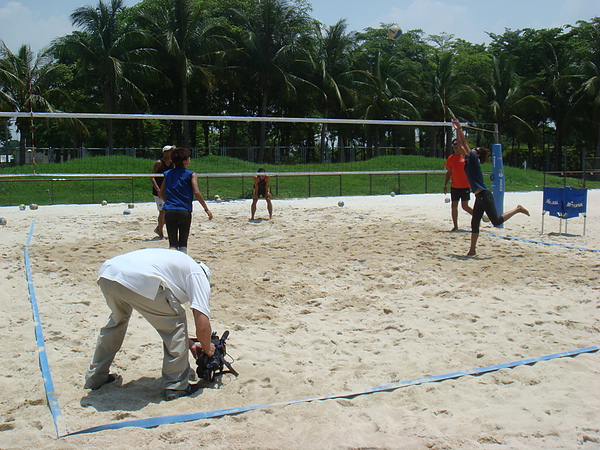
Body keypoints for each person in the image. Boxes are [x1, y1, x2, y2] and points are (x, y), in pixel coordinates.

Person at [84, 248, 216, 401]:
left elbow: (160, 317)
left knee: (116, 323)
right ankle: (177, 385)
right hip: (140, 279)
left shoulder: (179, 264)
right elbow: (202, 327)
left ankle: (96, 377)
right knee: (176, 322)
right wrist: (208, 349)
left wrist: (191, 344)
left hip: (109, 273)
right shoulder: (198, 276)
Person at [451, 118, 529, 256]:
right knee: (474, 223)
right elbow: (461, 144)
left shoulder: (474, 160)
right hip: (478, 196)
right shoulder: (469, 160)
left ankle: (518, 209)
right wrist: (456, 130)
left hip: (485, 195)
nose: (472, 150)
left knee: (496, 221)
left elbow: (463, 143)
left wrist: (458, 128)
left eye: (474, 150)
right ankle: (472, 250)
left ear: (478, 155)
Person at [159, 147, 213, 253]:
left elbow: (161, 193)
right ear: (184, 161)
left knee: (173, 244)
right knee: (183, 244)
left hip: (169, 210)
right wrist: (206, 209)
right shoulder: (191, 174)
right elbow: (196, 192)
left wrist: (169, 202)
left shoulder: (168, 173)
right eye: (188, 158)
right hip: (184, 210)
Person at [443, 138, 473, 231]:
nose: (456, 148)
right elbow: (449, 172)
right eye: (454, 146)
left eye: (457, 146)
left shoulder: (465, 157)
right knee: (453, 206)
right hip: (455, 186)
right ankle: (455, 226)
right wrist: (445, 185)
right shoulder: (451, 158)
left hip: (465, 186)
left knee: (465, 206)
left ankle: (477, 216)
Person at [151, 145, 175, 239]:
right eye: (169, 151)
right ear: (164, 152)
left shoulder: (172, 163)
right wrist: (158, 189)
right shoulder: (159, 163)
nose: (171, 153)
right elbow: (152, 177)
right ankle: (160, 233)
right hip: (158, 191)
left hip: (167, 190)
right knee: (162, 211)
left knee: (168, 211)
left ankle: (158, 228)